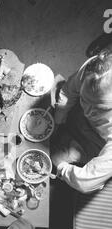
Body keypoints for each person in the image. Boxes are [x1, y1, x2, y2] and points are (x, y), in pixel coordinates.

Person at [52, 49, 112, 193]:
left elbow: (85, 183)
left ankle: (78, 151)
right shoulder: (93, 69)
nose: (88, 111)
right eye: (85, 99)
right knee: (59, 88)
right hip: (93, 127)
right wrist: (57, 121)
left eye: (100, 109)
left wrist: (62, 167)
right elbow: (69, 91)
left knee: (57, 159)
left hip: (102, 140)